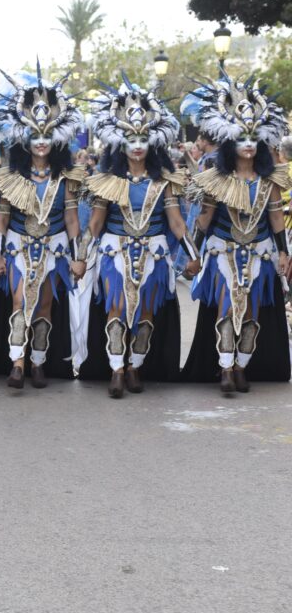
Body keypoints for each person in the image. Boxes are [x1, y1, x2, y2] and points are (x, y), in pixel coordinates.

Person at [80, 79, 201, 397]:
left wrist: (191, 254)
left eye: (143, 138)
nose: (137, 144)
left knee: (147, 313)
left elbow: (176, 224)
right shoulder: (106, 180)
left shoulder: (165, 182)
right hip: (114, 254)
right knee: (117, 309)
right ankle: (116, 370)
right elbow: (94, 223)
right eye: (131, 138)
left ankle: (135, 366)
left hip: (155, 256)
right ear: (120, 141)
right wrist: (80, 257)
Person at [181, 70, 292, 393]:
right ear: (231, 142)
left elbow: (275, 219)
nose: (247, 145)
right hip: (221, 250)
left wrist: (283, 252)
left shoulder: (270, 180)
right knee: (227, 307)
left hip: (260, 251)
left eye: (253, 139)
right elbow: (204, 219)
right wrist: (194, 254)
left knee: (252, 312)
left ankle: (242, 366)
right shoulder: (217, 178)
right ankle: (225, 366)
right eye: (241, 139)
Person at [0, 66, 87, 389]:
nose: (40, 142)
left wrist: (79, 257)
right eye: (35, 136)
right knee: (19, 301)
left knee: (45, 304)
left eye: (46, 136)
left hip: (55, 247)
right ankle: (17, 362)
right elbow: (1, 218)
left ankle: (38, 361)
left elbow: (73, 220)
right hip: (19, 246)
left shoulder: (67, 178)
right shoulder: (10, 176)